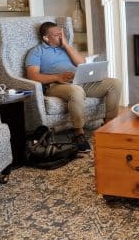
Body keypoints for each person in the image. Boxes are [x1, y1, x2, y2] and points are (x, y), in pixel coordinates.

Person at [25, 21, 122, 152]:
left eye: (61, 34)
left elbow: (81, 63)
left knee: (115, 83)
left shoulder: (65, 47)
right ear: (46, 38)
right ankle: (79, 133)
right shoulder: (36, 52)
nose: (61, 37)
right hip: (56, 85)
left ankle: (109, 125)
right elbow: (33, 76)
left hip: (79, 81)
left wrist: (66, 45)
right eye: (57, 35)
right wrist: (57, 77)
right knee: (76, 91)